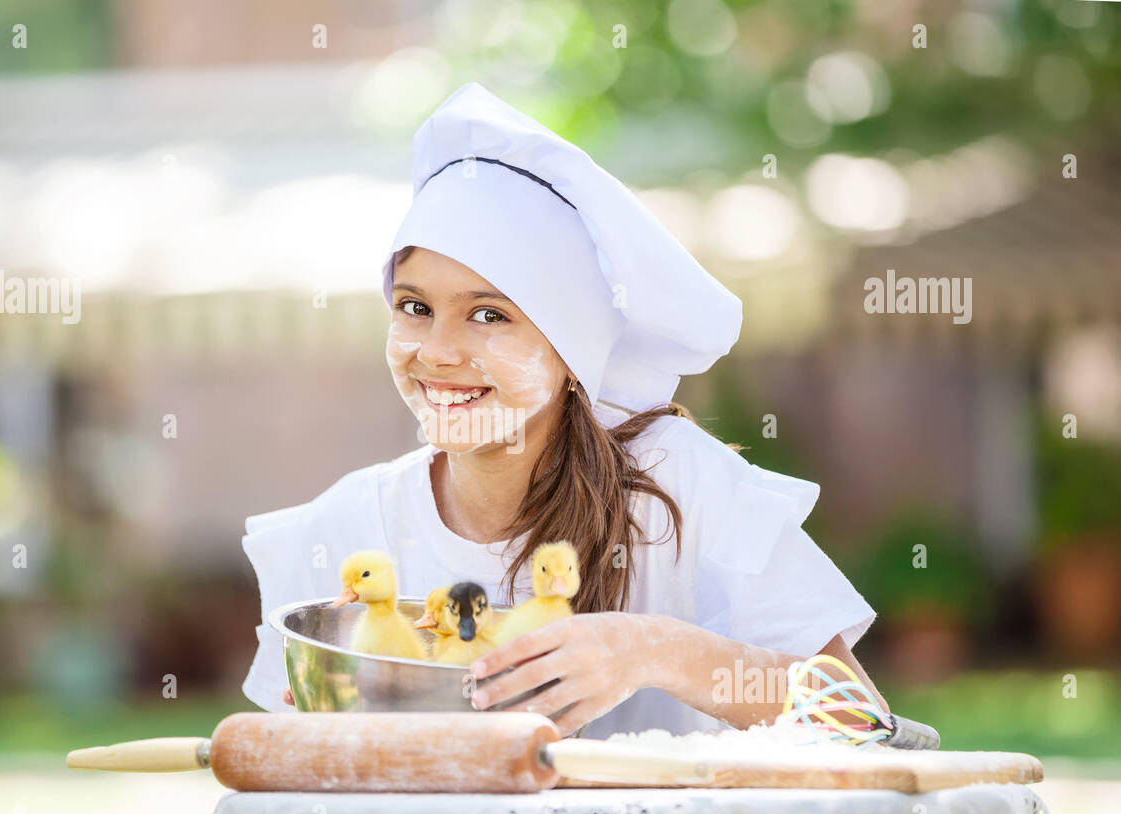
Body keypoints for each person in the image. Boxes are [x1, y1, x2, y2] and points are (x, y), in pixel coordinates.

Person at [240, 82, 887, 738]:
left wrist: (651, 649)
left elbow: (861, 718)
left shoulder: (679, 486)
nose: (437, 351)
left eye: (488, 314)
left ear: (570, 352)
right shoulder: (346, 528)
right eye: (415, 308)